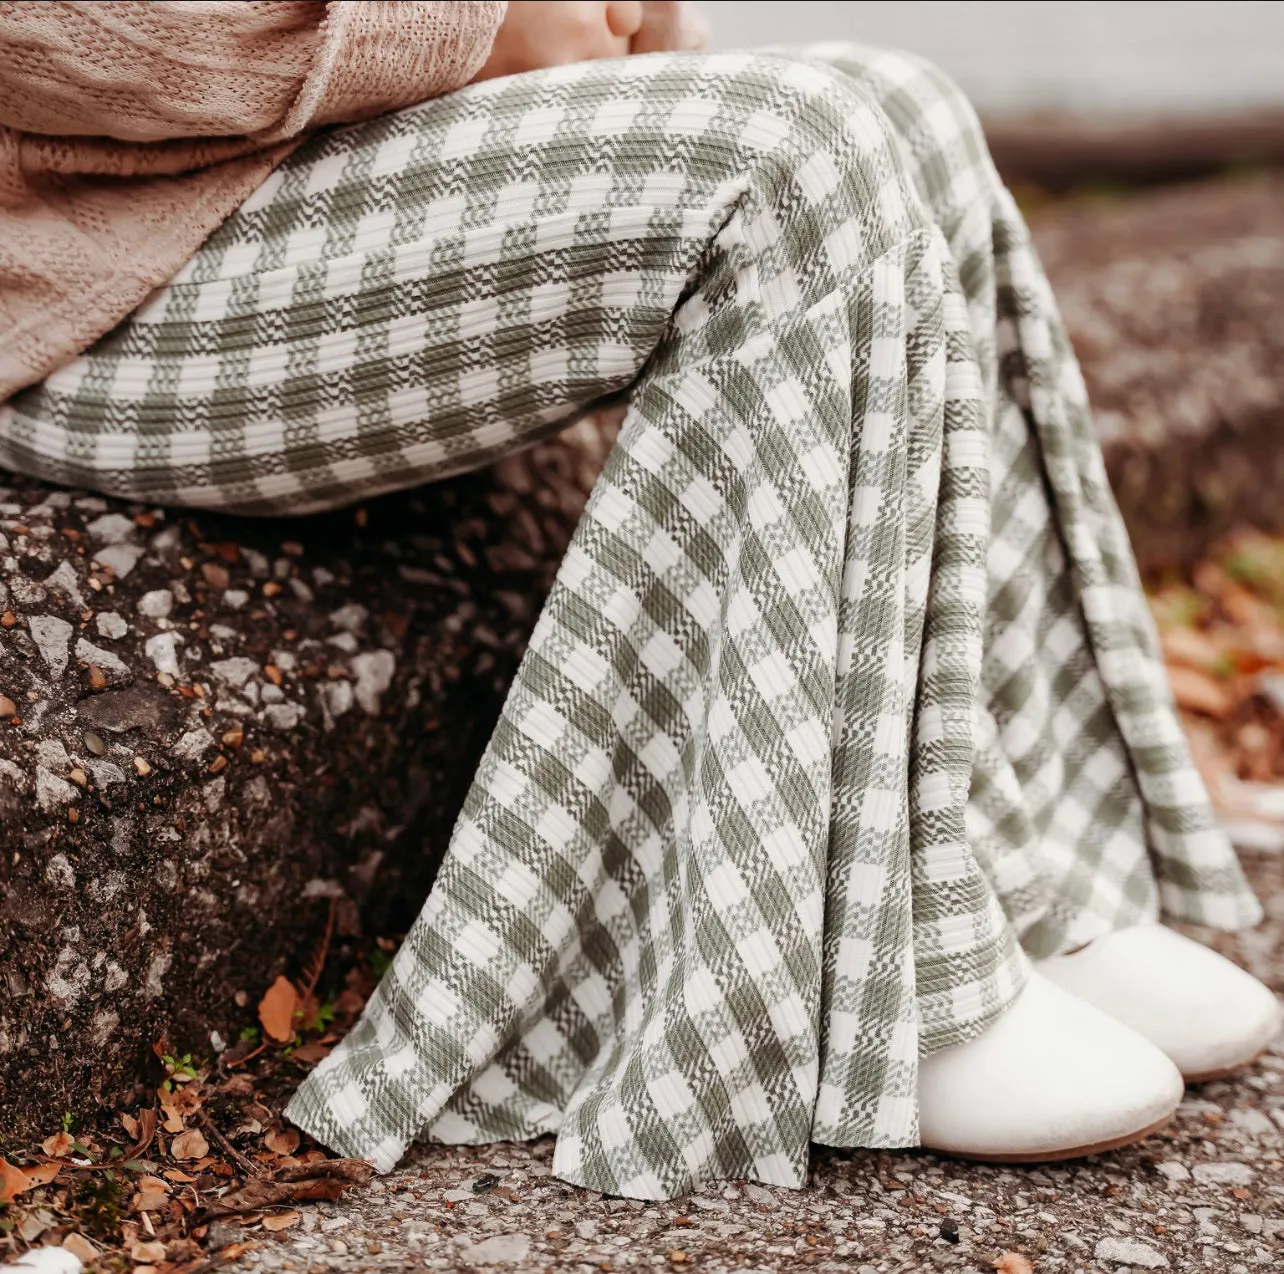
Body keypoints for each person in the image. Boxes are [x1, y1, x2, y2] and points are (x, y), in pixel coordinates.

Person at [0, 1, 1277, 1200]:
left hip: (311, 164)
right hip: (80, 262)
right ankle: (856, 987)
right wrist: (473, 25)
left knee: (903, 105)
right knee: (799, 161)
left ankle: (995, 873)